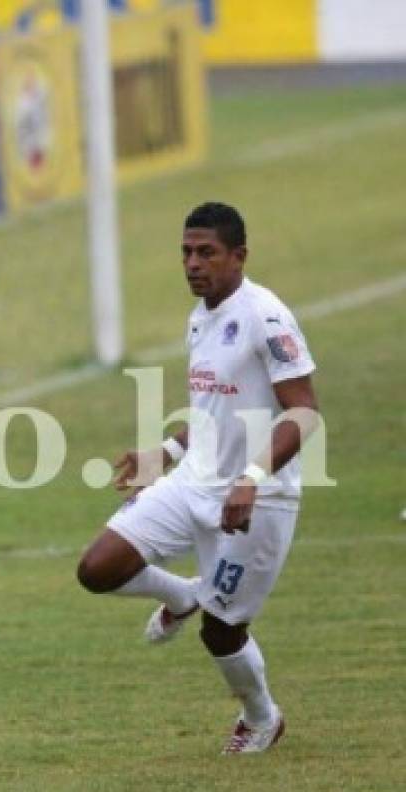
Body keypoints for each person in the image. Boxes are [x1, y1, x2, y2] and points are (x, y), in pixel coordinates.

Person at [76, 202, 320, 754]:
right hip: (194, 482)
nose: (192, 263)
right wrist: (163, 450)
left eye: (206, 253)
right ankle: (183, 595)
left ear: (239, 256)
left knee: (222, 631)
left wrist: (252, 477)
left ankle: (262, 718)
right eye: (186, 252)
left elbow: (303, 411)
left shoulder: (266, 316)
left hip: (261, 498)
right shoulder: (201, 317)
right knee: (98, 568)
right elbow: (214, 413)